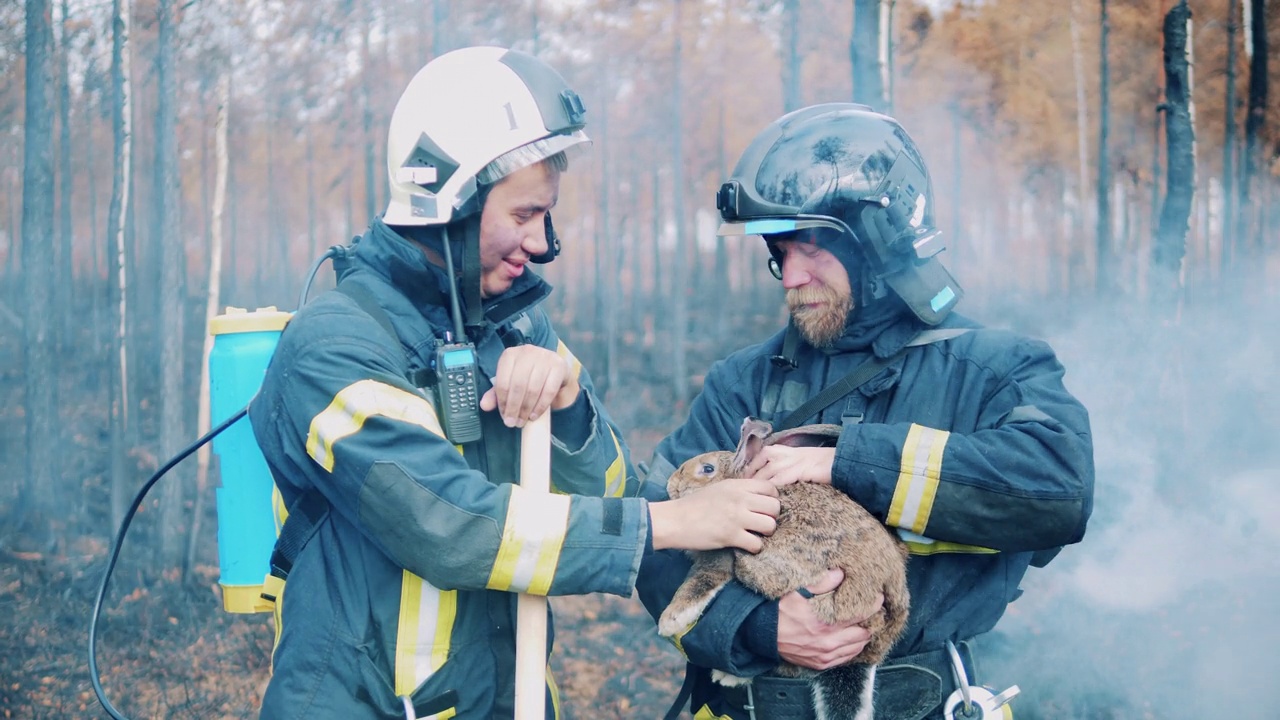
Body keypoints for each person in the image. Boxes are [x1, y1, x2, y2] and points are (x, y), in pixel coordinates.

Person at [248, 46, 780, 720]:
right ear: (452, 200)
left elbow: (609, 487)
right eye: (524, 215)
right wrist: (668, 523)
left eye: (544, 217)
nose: (539, 243)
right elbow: (448, 526)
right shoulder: (332, 347)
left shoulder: (515, 327)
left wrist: (567, 407)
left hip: (509, 699)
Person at [637, 103, 1095, 720]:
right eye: (780, 252)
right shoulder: (743, 382)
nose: (790, 277)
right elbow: (658, 539)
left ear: (880, 252)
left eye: (813, 250)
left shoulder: (993, 370)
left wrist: (847, 463)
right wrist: (758, 627)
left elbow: (1059, 491)